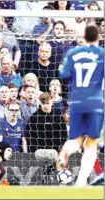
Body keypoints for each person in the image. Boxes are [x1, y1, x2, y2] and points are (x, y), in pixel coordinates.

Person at [56, 25, 104, 186]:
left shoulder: (73, 53)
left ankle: (65, 152)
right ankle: (80, 183)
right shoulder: (101, 54)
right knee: (91, 143)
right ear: (98, 37)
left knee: (76, 140)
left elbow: (63, 74)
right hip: (95, 102)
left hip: (76, 101)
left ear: (84, 36)